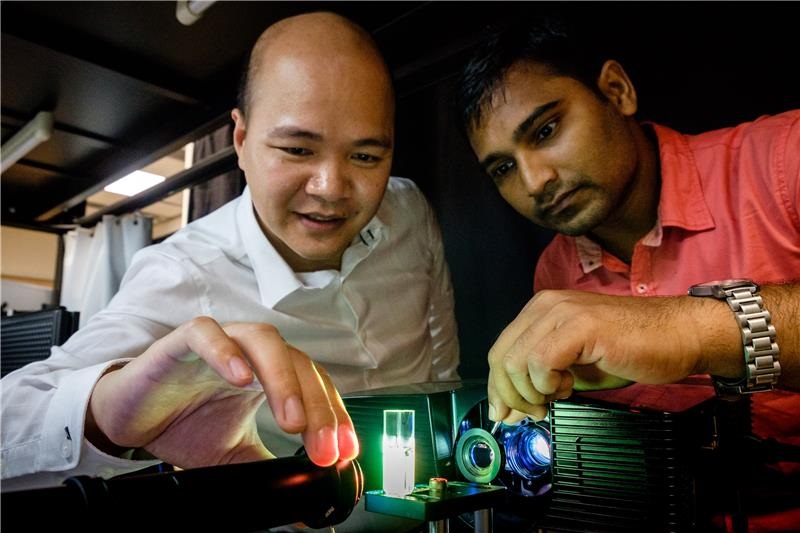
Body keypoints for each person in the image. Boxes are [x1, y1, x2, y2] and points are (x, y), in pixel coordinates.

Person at [1, 11, 459, 512]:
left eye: (366, 158)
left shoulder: (410, 209)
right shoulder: (179, 272)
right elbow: (13, 414)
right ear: (240, 140)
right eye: (297, 149)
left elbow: (442, 365)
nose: (331, 190)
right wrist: (105, 416)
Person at [454, 14, 799, 530]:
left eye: (546, 130)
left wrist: (690, 328)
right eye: (503, 168)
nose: (535, 181)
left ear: (617, 91)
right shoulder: (556, 270)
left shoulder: (782, 158)